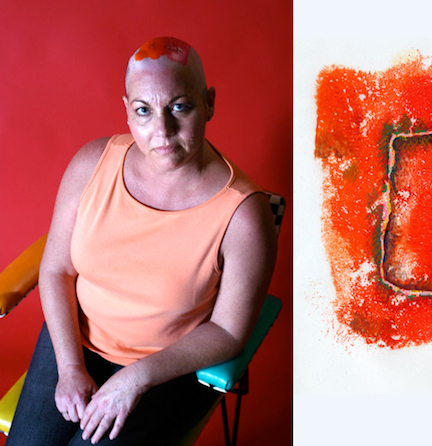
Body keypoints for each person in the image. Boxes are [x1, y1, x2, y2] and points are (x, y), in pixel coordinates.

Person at [6, 37, 277, 445]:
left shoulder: (245, 213)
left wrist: (136, 379)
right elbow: (58, 268)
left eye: (180, 107)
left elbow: (227, 331)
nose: (162, 131)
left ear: (209, 103)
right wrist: (69, 368)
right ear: (127, 112)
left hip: (167, 369)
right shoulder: (91, 164)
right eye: (144, 111)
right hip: (75, 341)